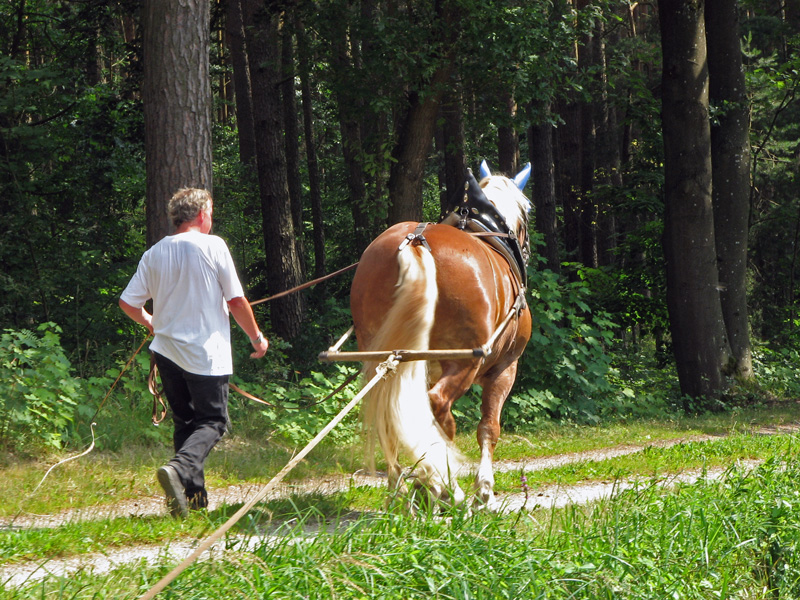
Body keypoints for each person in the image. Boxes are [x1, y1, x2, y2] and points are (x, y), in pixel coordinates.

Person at [119, 188, 269, 517]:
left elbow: (128, 302)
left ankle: (192, 502)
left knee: (185, 422)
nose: (212, 219)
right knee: (213, 421)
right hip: (204, 353)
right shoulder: (213, 246)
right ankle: (178, 469)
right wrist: (256, 337)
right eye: (211, 213)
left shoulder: (154, 253)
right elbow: (235, 300)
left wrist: (151, 324)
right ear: (202, 215)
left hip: (167, 354)